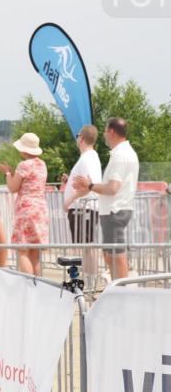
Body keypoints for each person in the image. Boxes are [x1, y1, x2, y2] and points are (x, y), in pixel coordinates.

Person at [73, 117, 139, 281]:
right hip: (116, 209)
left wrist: (90, 185)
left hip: (114, 210)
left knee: (116, 254)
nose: (103, 134)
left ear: (111, 131)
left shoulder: (120, 155)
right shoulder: (125, 153)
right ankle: (117, 287)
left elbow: (112, 188)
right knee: (110, 253)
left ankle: (121, 290)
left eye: (104, 131)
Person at [0, 133, 48, 276]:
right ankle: (39, 284)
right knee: (35, 252)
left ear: (24, 150)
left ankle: (27, 284)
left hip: (26, 209)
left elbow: (13, 187)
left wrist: (8, 173)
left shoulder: (24, 165)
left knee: (23, 250)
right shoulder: (42, 164)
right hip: (40, 209)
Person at [61, 125, 103, 279]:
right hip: (84, 208)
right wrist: (70, 181)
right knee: (85, 245)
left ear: (82, 139)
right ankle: (90, 279)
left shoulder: (87, 158)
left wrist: (70, 199)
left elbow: (89, 185)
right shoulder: (89, 157)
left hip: (82, 208)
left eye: (78, 136)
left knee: (85, 246)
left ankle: (90, 279)